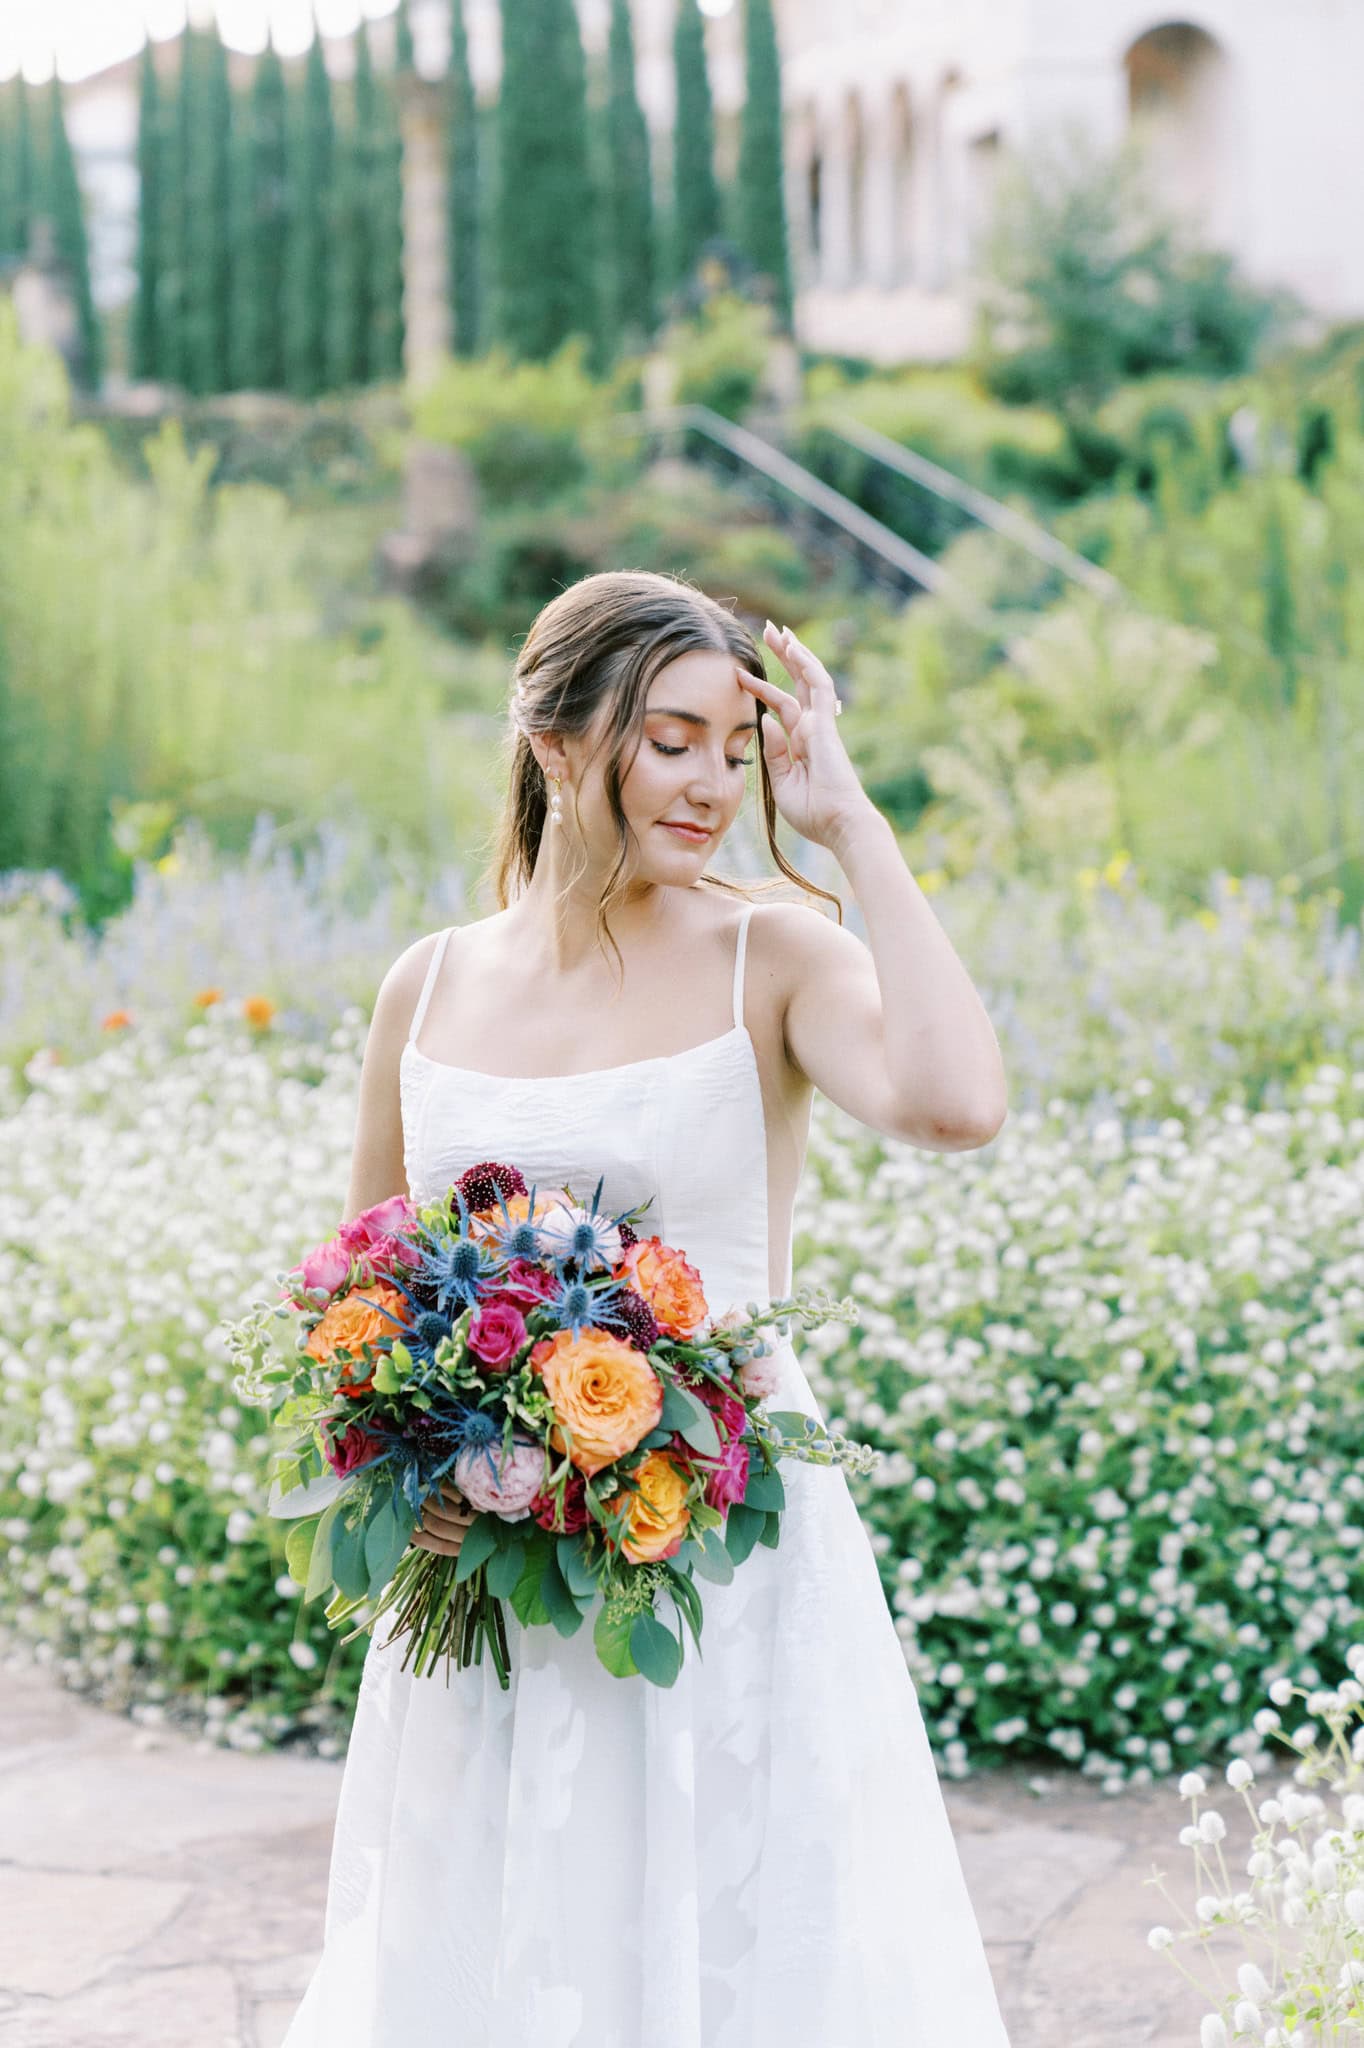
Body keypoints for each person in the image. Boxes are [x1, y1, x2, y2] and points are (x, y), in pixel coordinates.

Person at [278, 569, 1013, 2047]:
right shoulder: (428, 986)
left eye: (734, 752)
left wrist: (852, 828)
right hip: (490, 1576)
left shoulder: (770, 957)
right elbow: (360, 1292)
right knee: (493, 1947)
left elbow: (956, 1106)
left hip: (721, 1559)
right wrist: (409, 1473)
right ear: (554, 739)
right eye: (671, 742)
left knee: (730, 1942)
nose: (713, 786)